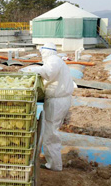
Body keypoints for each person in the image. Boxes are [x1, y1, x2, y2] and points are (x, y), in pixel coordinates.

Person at [30, 42, 74, 171]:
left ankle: (54, 165)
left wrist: (32, 69)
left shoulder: (53, 60)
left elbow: (48, 73)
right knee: (51, 130)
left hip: (57, 101)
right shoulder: (56, 60)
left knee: (50, 133)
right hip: (60, 99)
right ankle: (53, 163)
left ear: (46, 51)